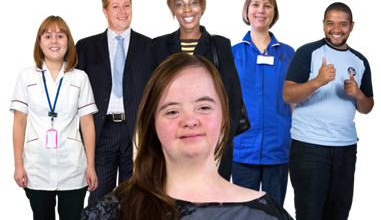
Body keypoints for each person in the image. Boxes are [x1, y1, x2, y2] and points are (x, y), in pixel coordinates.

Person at [81, 53, 293, 220]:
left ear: (224, 116)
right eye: (172, 111)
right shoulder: (110, 212)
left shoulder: (267, 214)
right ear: (152, 123)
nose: (190, 121)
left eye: (204, 107)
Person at [283, 2, 374, 220]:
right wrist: (317, 81)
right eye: (331, 23)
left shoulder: (360, 60)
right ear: (323, 24)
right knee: (310, 214)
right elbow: (288, 95)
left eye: (342, 24)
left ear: (351, 27)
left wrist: (358, 95)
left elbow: (367, 108)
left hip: (346, 147)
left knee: (339, 213)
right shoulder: (307, 52)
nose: (336, 29)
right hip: (309, 146)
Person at [147, 0, 243, 181]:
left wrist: (224, 141)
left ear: (202, 6)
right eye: (180, 4)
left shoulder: (220, 45)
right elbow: (152, 97)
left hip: (213, 142)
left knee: (214, 207)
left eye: (193, 2)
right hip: (174, 142)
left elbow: (233, 97)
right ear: (173, 10)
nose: (187, 10)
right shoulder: (159, 46)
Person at [10, 15, 98, 220]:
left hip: (73, 167)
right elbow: (19, 122)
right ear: (39, 43)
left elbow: (87, 124)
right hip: (36, 166)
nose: (54, 41)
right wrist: (18, 165)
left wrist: (91, 166)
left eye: (60, 35)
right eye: (48, 36)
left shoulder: (80, 78)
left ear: (68, 42)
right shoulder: (26, 76)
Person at [75, 0, 152, 203]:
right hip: (100, 134)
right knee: (99, 203)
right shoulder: (86, 47)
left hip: (137, 134)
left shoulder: (150, 46)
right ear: (105, 12)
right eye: (116, 6)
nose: (122, 11)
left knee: (135, 202)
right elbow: (75, 95)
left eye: (126, 5)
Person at [231, 0, 294, 207]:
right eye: (255, 4)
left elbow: (296, 101)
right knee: (240, 211)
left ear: (274, 13)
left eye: (267, 5)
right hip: (241, 147)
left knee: (274, 211)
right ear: (247, 11)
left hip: (278, 148)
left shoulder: (288, 54)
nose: (261, 10)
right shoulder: (232, 54)